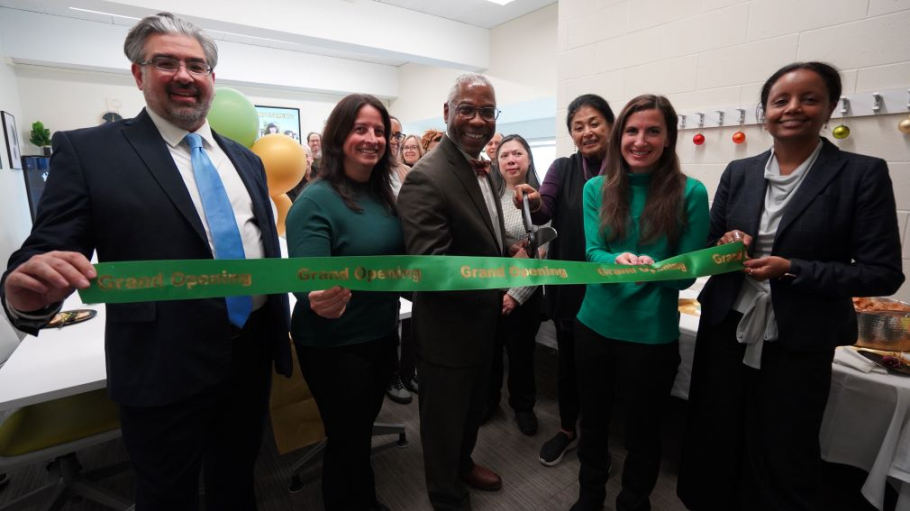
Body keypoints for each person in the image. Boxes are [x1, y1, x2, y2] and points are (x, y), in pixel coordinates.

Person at [0, 12, 292, 508]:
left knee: (238, 477)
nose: (184, 75)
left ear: (212, 80)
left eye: (197, 66)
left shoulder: (248, 160)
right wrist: (22, 291)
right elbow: (48, 248)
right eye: (166, 63)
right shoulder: (90, 151)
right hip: (162, 363)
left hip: (251, 350)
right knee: (166, 492)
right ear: (138, 74)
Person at [677, 62, 905, 511]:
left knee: (785, 445)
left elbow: (882, 272)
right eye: (780, 101)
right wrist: (725, 244)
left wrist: (792, 268)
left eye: (809, 99)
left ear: (830, 108)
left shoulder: (861, 174)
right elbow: (709, 243)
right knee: (715, 431)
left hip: (799, 334)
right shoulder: (740, 172)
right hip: (727, 324)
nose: (792, 109)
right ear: (765, 111)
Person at [571, 94, 709, 511]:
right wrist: (618, 261)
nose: (640, 140)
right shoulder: (597, 188)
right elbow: (593, 253)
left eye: (653, 131)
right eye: (631, 130)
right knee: (592, 422)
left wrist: (653, 269)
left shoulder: (691, 192)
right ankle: (589, 495)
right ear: (619, 136)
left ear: (668, 138)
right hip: (594, 325)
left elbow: (687, 272)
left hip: (651, 334)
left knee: (643, 429)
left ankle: (634, 500)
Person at [287, 93, 401, 511]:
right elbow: (306, 277)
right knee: (348, 438)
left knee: (358, 433)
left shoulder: (383, 194)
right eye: (360, 129)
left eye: (379, 131)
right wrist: (317, 296)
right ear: (338, 138)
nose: (372, 138)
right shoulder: (315, 200)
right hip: (335, 345)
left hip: (381, 333)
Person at [398, 73, 506, 511]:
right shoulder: (429, 175)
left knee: (470, 410)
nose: (477, 120)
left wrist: (509, 252)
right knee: (444, 422)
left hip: (482, 321)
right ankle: (447, 496)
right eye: (467, 109)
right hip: (449, 328)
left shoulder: (478, 165)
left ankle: (463, 464)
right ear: (446, 113)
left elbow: (477, 239)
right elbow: (433, 267)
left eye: (486, 111)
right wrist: (495, 279)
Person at [514, 94, 615, 467]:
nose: (587, 132)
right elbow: (546, 208)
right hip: (571, 287)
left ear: (610, 125)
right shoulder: (563, 168)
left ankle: (596, 436)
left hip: (613, 288)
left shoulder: (627, 169)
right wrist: (533, 200)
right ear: (571, 134)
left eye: (594, 123)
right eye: (578, 126)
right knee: (569, 364)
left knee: (605, 368)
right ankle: (567, 429)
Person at [485, 134, 546, 435]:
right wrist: (511, 247)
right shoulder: (490, 198)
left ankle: (523, 406)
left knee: (521, 355)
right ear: (497, 162)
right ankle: (488, 401)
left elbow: (540, 255)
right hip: (490, 288)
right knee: (490, 351)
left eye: (517, 154)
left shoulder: (539, 201)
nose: (511, 159)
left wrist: (515, 295)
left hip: (525, 294)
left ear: (529, 158)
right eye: (505, 155)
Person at [384, 114, 414, 404]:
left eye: (397, 135)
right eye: (390, 135)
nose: (394, 141)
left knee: (416, 315)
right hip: (384, 258)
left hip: (409, 254)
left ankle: (409, 371)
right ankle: (391, 374)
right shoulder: (370, 174)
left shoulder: (406, 172)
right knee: (390, 316)